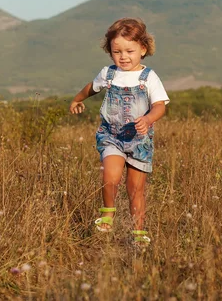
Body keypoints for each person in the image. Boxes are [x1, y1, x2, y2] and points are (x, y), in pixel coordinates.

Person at [69, 18, 169, 245]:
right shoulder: (109, 74)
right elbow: (91, 88)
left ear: (143, 49)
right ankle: (108, 214)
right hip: (111, 136)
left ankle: (138, 233)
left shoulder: (149, 77)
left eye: (129, 50)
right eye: (117, 51)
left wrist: (148, 118)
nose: (123, 56)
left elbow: (160, 106)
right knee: (110, 177)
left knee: (136, 188)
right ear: (110, 52)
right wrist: (77, 99)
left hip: (139, 140)